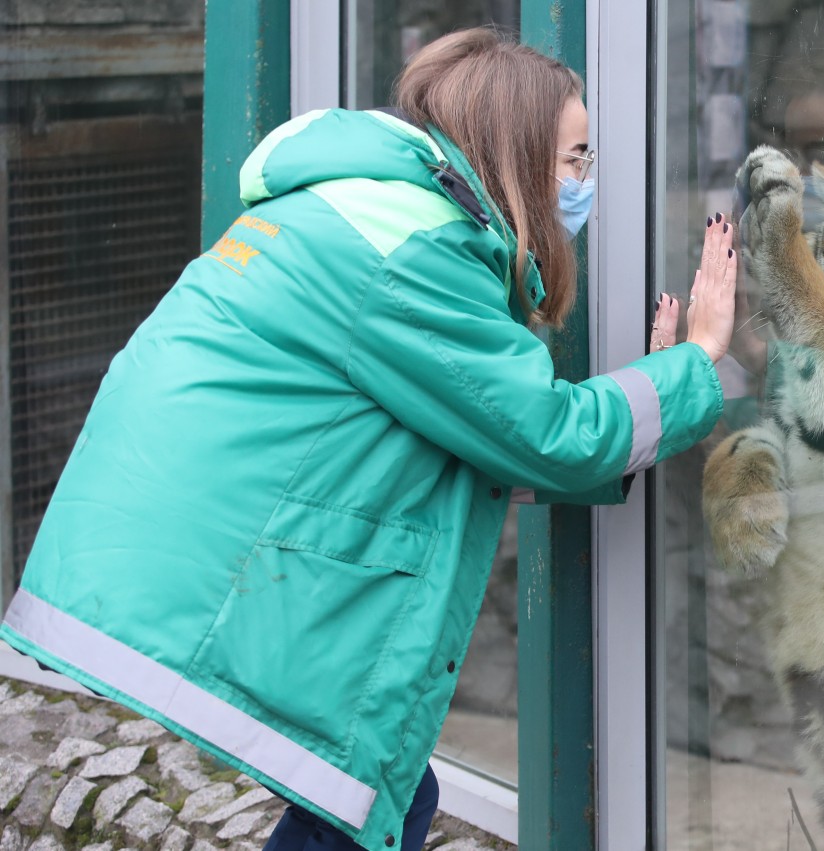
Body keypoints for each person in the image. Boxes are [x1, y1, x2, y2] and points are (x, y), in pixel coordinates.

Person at [0, 27, 737, 851]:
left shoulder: (365, 206)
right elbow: (546, 436)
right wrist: (697, 363)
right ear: (516, 155)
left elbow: (464, 437)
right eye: (574, 159)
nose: (586, 184)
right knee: (367, 792)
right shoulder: (414, 250)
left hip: (165, 549)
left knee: (376, 789)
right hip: (207, 572)